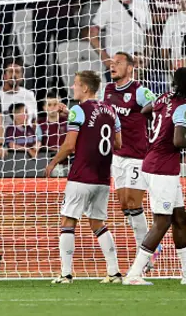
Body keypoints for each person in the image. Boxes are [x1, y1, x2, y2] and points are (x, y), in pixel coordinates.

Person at [123, 68, 186, 285]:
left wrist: (160, 125)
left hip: (157, 164)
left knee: (179, 218)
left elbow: (145, 111)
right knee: (163, 221)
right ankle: (134, 273)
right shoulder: (184, 105)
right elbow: (179, 141)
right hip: (162, 168)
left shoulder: (164, 97)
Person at [46, 71, 122, 284]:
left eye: (76, 84)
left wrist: (52, 162)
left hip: (81, 175)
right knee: (98, 223)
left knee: (68, 221)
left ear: (85, 88)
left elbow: (70, 145)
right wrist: (71, 114)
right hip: (103, 177)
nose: (73, 88)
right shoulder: (110, 110)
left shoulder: (78, 110)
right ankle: (114, 272)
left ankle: (66, 273)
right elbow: (118, 143)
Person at [102, 52, 156, 258]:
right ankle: (148, 245)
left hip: (137, 155)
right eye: (111, 63)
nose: (112, 66)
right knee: (124, 204)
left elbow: (158, 108)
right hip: (116, 155)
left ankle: (146, 253)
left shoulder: (140, 91)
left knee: (134, 203)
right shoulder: (107, 90)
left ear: (130, 68)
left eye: (118, 63)